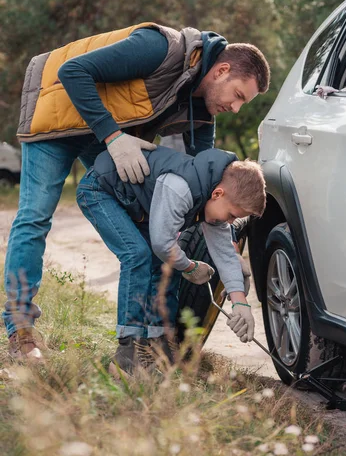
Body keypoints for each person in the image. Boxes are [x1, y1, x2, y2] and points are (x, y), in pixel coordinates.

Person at [3, 22, 270, 360]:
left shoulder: (203, 111)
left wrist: (226, 243)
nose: (236, 108)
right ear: (222, 70)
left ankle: (155, 339)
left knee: (149, 227)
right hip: (56, 117)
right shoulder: (160, 47)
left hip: (105, 132)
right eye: (238, 96)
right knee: (36, 216)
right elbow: (72, 71)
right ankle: (21, 330)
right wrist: (113, 138)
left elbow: (206, 187)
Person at [75, 145, 266, 377]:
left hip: (138, 203)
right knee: (138, 255)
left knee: (164, 264)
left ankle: (159, 344)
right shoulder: (180, 188)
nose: (231, 221)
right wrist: (190, 267)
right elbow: (162, 244)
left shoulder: (213, 196)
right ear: (218, 194)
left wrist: (240, 302)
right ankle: (128, 352)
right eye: (233, 215)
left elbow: (225, 253)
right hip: (100, 191)